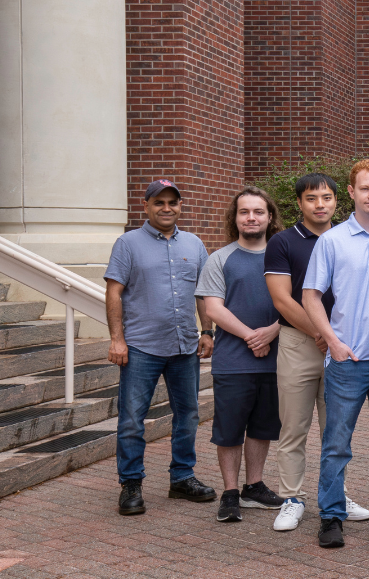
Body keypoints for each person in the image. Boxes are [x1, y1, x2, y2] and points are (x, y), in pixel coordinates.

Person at [264, 174, 369, 531]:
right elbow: (282, 298)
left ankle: (336, 493)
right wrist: (319, 333)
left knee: (336, 429)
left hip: (343, 346)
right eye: (312, 198)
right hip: (299, 343)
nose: (320, 204)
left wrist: (334, 338)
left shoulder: (349, 237)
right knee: (294, 426)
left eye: (327, 197)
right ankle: (292, 497)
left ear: (337, 201)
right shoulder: (282, 242)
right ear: (299, 203)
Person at [303, 160, 369, 548]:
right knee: (336, 443)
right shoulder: (332, 240)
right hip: (347, 360)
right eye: (365, 189)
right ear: (352, 192)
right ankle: (331, 515)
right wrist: (331, 340)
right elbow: (310, 295)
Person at [106, 179, 217, 515]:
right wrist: (116, 339)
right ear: (147, 206)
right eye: (159, 203)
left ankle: (182, 478)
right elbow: (114, 292)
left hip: (185, 347)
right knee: (131, 419)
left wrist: (208, 331)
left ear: (180, 206)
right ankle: (131, 484)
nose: (166, 208)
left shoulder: (195, 244)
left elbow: (203, 293)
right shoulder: (127, 244)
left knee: (188, 416)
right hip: (141, 347)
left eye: (173, 202)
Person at [196, 187, 286, 522]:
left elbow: (298, 301)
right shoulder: (220, 258)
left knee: (263, 428)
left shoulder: (282, 256)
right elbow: (213, 309)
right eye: (244, 212)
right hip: (233, 362)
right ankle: (230, 492)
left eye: (258, 212)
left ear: (270, 216)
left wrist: (273, 330)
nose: (251, 218)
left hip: (277, 361)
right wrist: (252, 335)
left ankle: (254, 486)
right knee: (230, 429)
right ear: (235, 218)